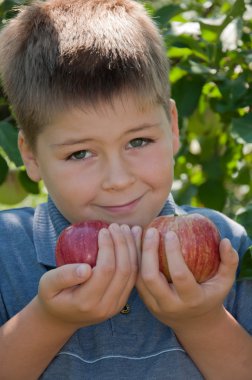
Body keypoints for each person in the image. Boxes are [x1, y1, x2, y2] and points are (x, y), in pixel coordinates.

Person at [0, 0, 251, 379]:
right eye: (80, 153)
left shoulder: (225, 248)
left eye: (138, 142)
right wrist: (48, 321)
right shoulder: (6, 253)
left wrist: (202, 320)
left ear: (172, 126)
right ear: (31, 156)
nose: (117, 179)